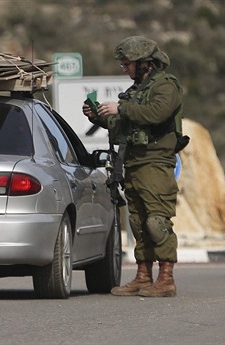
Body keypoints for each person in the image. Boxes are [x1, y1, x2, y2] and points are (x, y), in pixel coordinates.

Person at [82, 36, 184, 297]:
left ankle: (166, 278)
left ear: (144, 64)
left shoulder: (165, 87)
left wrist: (122, 108)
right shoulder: (135, 92)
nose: (125, 69)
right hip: (133, 162)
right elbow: (123, 127)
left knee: (156, 221)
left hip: (155, 162)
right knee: (138, 222)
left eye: (127, 64)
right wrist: (99, 117)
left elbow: (155, 114)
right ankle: (143, 276)